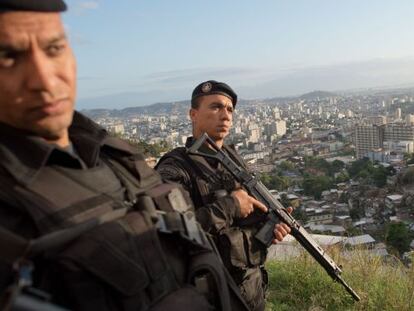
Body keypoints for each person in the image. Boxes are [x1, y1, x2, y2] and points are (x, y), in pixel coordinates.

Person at [0, 2, 249, 310]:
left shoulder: (119, 158)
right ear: (193, 114)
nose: (45, 80)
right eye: (8, 56)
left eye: (54, 48)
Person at [156, 80, 292, 311]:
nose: (226, 115)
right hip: (207, 298)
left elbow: (245, 221)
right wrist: (229, 206)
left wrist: (270, 226)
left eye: (230, 109)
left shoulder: (232, 159)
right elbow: (168, 233)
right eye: (215, 107)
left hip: (250, 293)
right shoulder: (175, 168)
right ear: (193, 114)